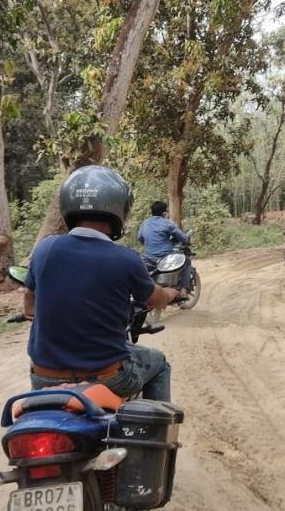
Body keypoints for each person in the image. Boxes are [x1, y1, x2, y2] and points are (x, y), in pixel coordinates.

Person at [23, 166, 179, 401]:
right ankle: (154, 432)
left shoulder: (45, 249)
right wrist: (169, 293)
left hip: (44, 378)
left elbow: (29, 305)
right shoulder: (126, 258)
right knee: (159, 363)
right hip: (107, 377)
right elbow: (154, 299)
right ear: (120, 210)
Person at [138, 200, 192, 297]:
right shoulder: (167, 223)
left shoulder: (145, 223)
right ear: (164, 212)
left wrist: (149, 244)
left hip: (148, 257)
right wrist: (187, 240)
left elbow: (140, 238)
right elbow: (182, 237)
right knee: (187, 261)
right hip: (165, 257)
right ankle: (184, 290)